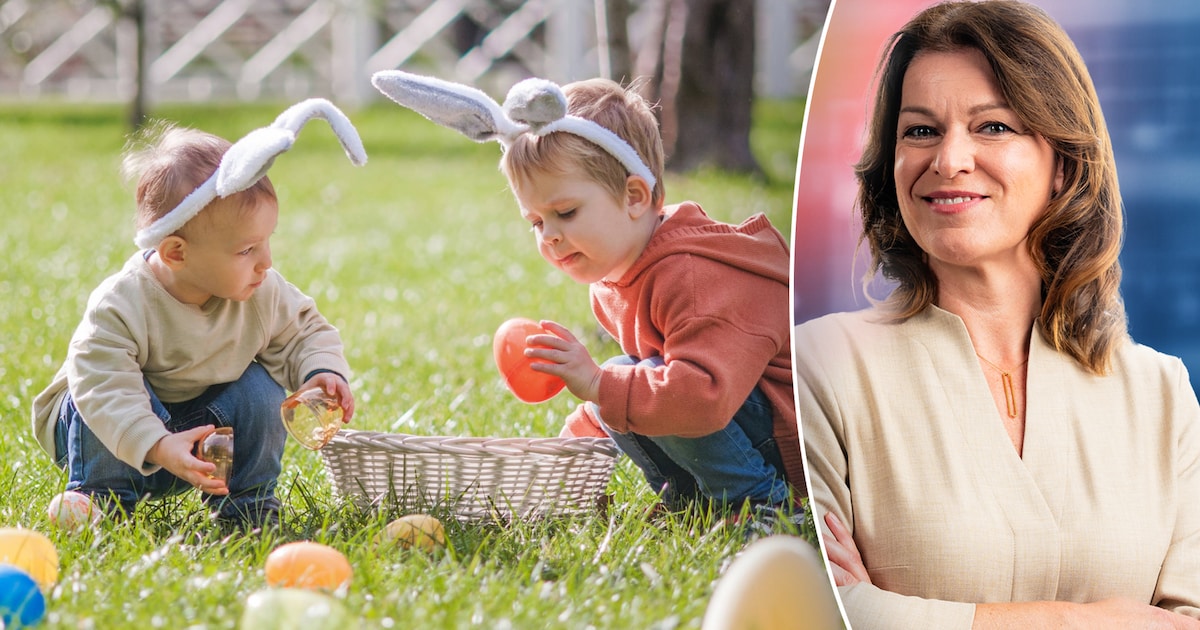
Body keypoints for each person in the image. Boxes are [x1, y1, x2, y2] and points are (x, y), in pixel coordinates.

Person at [793, 1, 1200, 628]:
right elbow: (829, 611)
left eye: (994, 127)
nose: (949, 160)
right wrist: (1092, 621)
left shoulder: (1161, 394)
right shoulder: (822, 368)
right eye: (920, 131)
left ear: (1063, 163)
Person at [372, 72, 803, 511]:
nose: (550, 236)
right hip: (743, 428)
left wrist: (599, 383)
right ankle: (691, 500)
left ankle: (757, 503)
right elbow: (635, 385)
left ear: (634, 196)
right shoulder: (614, 278)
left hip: (797, 451)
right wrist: (566, 451)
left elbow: (701, 399)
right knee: (627, 375)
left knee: (626, 376)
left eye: (566, 212)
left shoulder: (693, 276)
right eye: (537, 222)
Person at [30, 99, 366, 529]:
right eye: (246, 250)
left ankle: (247, 504)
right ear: (176, 252)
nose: (265, 261)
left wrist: (320, 371)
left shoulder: (260, 289)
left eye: (266, 241)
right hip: (116, 433)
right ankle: (101, 499)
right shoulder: (124, 303)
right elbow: (102, 384)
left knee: (261, 390)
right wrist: (156, 443)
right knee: (96, 393)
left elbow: (305, 332)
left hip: (200, 439)